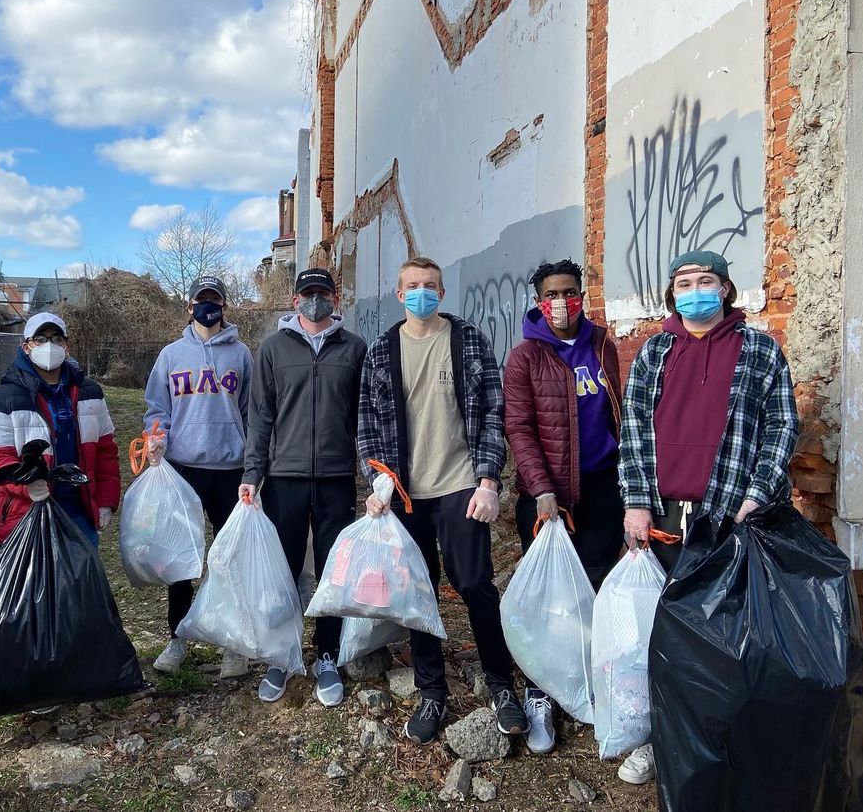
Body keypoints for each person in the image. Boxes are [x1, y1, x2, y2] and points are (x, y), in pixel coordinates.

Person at [616, 249, 799, 785]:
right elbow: (634, 432)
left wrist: (756, 494)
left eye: (704, 281)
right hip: (668, 516)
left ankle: (726, 740)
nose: (692, 290)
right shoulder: (656, 351)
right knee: (664, 634)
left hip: (731, 515)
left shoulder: (759, 349)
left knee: (728, 636)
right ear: (671, 293)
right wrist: (636, 501)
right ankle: (662, 736)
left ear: (724, 289)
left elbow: (782, 425)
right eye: (682, 282)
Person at [358, 257, 529, 745]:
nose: (422, 293)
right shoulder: (382, 350)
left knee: (475, 583)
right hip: (406, 493)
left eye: (430, 286)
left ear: (442, 292)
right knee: (419, 591)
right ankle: (432, 690)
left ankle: (501, 686)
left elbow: (493, 412)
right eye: (412, 286)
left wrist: (489, 479)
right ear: (399, 294)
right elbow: (368, 421)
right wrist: (378, 480)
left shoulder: (468, 339)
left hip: (460, 485)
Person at [503, 258, 623, 754]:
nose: (561, 302)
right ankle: (539, 692)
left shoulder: (602, 347)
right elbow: (520, 428)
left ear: (582, 294)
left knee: (592, 588)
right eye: (552, 294)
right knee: (550, 597)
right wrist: (541, 489)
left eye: (570, 292)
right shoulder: (525, 358)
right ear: (538, 301)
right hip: (549, 496)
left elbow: (620, 414)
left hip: (601, 489)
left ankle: (581, 680)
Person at [240, 267, 367, 708]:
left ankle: (327, 654)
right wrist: (252, 474)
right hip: (285, 478)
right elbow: (260, 417)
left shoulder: (354, 348)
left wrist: (371, 476)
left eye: (323, 293)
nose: (315, 301)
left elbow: (361, 419)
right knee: (285, 569)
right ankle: (283, 653)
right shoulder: (273, 349)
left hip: (335, 477)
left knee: (333, 569)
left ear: (336, 299)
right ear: (295, 301)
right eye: (307, 293)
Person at [143, 275, 253, 679]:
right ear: (189, 307)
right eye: (202, 300)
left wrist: (252, 463)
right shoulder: (171, 356)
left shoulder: (241, 355)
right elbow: (157, 408)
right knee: (183, 558)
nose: (209, 306)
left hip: (230, 469)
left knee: (228, 557)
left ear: (225, 306)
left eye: (216, 300)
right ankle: (178, 636)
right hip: (183, 468)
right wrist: (156, 439)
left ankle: (233, 642)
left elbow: (251, 412)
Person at [0, 312, 121, 548]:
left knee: (80, 583)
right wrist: (25, 484)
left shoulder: (89, 393)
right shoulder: (1, 399)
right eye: (40, 339)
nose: (49, 345)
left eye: (56, 339)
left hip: (79, 515)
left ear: (67, 346)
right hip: (25, 518)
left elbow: (105, 451)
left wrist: (105, 500)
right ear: (26, 347)